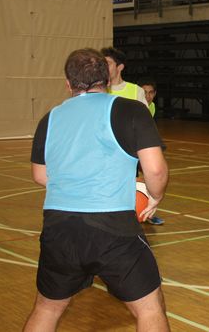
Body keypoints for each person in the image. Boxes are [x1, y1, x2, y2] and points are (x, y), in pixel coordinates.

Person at [25, 48, 169, 331]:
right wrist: (155, 195)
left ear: (68, 84)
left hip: (59, 227)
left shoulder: (49, 118)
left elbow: (41, 175)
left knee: (47, 308)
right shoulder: (131, 110)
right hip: (113, 227)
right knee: (150, 309)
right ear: (107, 78)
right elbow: (155, 169)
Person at [101, 48, 164, 225]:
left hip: (128, 150)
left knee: (136, 184)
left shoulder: (135, 91)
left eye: (108, 63)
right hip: (104, 150)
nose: (103, 67)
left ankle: (145, 211)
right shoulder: (98, 90)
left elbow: (144, 126)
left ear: (120, 67)